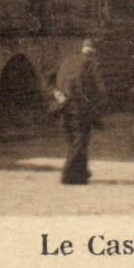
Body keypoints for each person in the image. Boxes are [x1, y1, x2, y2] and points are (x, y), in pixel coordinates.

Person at [51, 38, 107, 185]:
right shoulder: (92, 64)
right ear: (94, 52)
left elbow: (52, 80)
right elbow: (100, 89)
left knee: (72, 141)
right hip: (81, 109)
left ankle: (81, 173)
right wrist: (99, 109)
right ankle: (68, 175)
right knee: (80, 141)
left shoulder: (67, 62)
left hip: (63, 107)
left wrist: (59, 96)